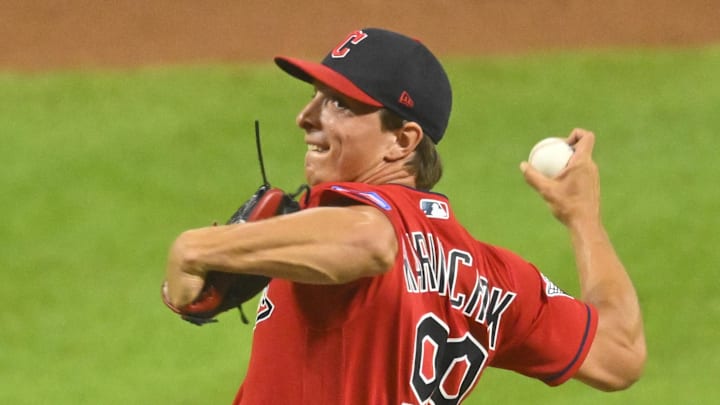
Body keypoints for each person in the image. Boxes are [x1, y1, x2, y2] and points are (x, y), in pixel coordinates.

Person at [164, 27, 646, 404]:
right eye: (314, 94)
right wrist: (584, 219)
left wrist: (197, 249)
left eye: (337, 104)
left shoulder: (355, 218)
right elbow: (619, 353)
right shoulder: (495, 275)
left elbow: (371, 242)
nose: (306, 116)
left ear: (403, 141)